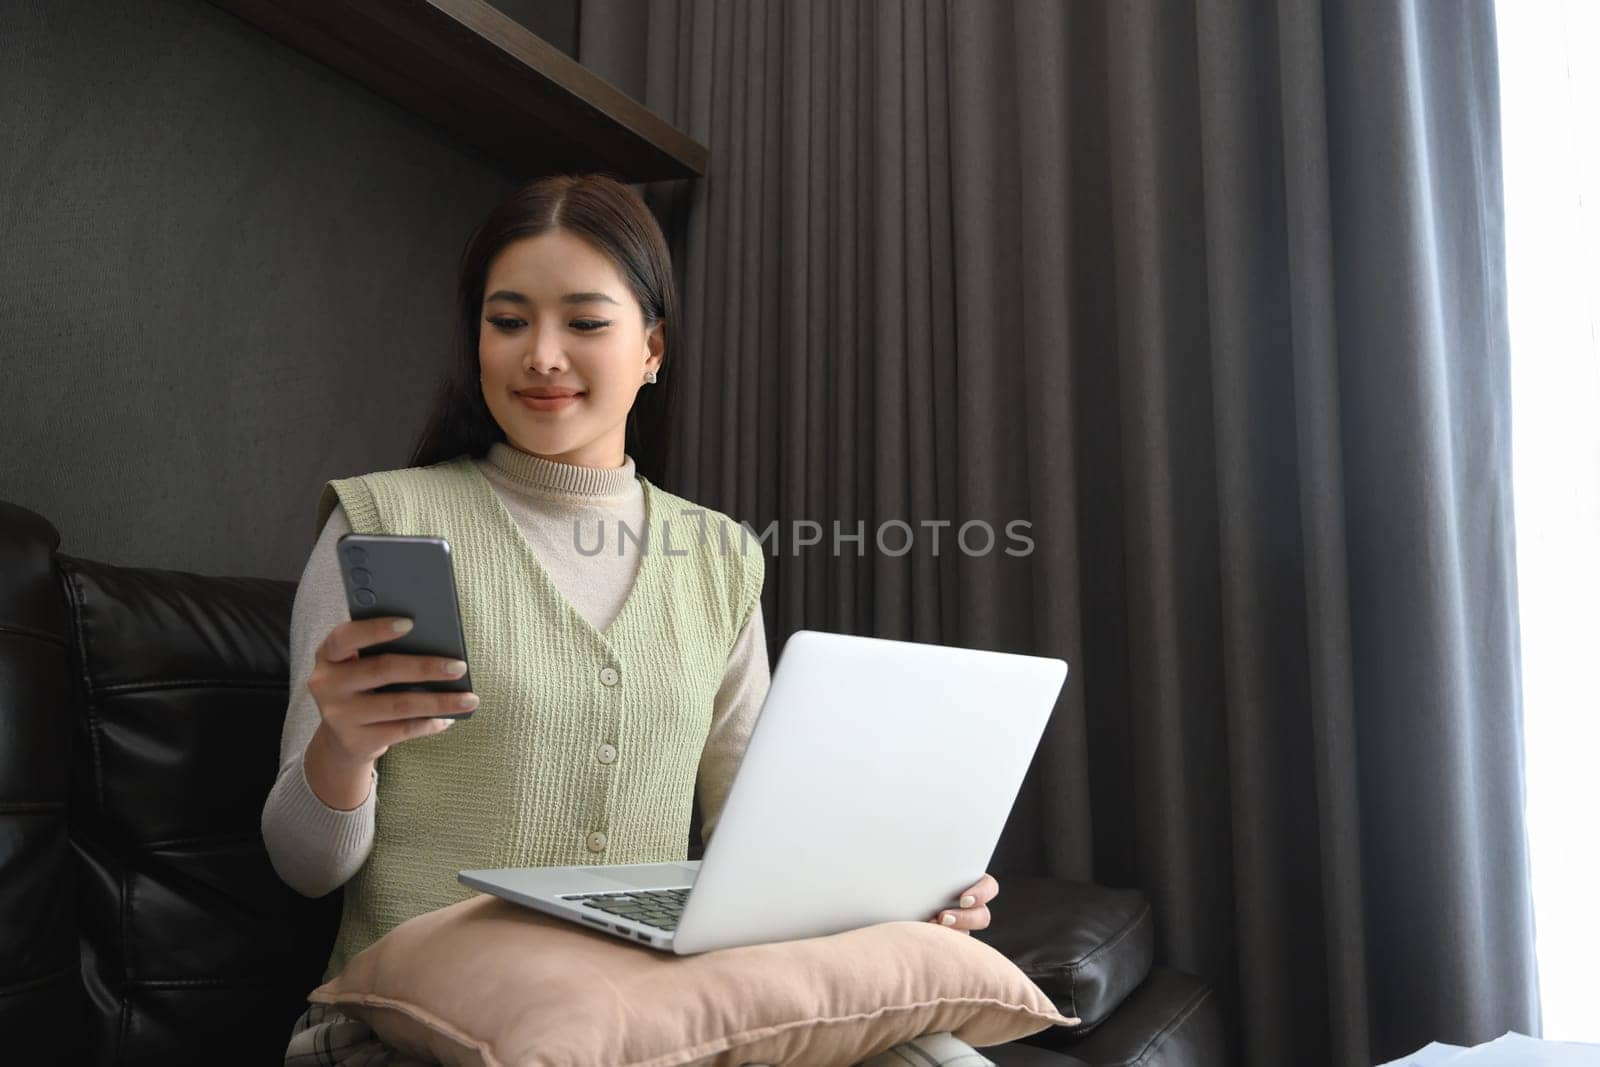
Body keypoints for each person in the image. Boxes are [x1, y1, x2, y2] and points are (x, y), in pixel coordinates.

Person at [261, 172, 1001, 1065]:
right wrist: (343, 750)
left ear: (652, 347)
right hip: (413, 1017)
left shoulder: (720, 556)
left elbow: (753, 840)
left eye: (584, 321)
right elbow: (306, 866)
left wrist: (903, 891)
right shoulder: (384, 524)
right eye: (508, 320)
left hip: (649, 1009)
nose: (540, 354)